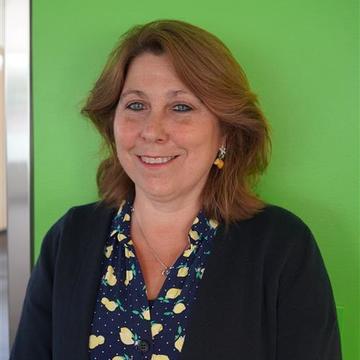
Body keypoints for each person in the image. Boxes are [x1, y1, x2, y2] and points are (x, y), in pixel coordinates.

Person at [11, 19, 342, 359]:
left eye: (181, 107)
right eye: (136, 106)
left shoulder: (283, 248)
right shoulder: (69, 239)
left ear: (225, 132)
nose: (152, 132)